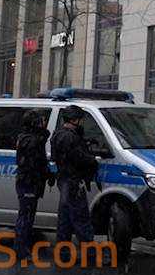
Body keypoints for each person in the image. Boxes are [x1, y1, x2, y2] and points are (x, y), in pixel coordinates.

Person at [49, 106, 99, 244]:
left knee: (65, 218)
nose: (81, 123)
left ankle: (63, 252)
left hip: (64, 178)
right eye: (80, 119)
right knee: (81, 217)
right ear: (74, 120)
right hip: (73, 181)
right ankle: (89, 251)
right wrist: (92, 160)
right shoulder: (70, 137)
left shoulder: (58, 134)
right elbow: (79, 157)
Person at [12, 111, 53, 262]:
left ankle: (24, 247)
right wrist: (46, 174)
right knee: (25, 216)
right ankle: (21, 250)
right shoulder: (31, 141)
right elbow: (35, 164)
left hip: (30, 182)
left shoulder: (31, 138)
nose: (44, 123)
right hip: (28, 182)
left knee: (28, 216)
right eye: (41, 121)